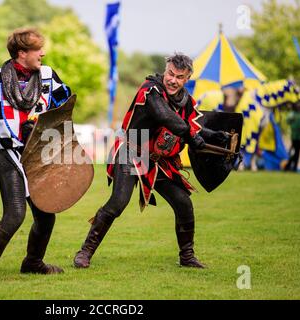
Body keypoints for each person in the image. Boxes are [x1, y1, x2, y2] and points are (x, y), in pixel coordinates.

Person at [74, 53, 228, 269]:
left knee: (183, 203)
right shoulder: (150, 90)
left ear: (187, 79)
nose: (173, 80)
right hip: (131, 149)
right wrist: (192, 137)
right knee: (118, 203)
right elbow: (165, 116)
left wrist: (215, 136)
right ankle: (85, 252)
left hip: (158, 160)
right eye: (170, 74)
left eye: (179, 77)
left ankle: (187, 256)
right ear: (165, 71)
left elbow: (193, 124)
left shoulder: (185, 101)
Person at [0, 28, 71, 281]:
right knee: (15, 213)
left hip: (34, 154)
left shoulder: (48, 77)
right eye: (36, 49)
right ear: (22, 53)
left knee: (45, 214)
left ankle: (32, 262)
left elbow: (63, 109)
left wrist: (44, 127)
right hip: (4, 153)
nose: (43, 53)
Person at [284, 104, 300, 172]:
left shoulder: (295, 115)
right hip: (297, 136)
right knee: (296, 152)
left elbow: (288, 121)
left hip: (296, 136)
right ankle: (291, 166)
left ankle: (290, 166)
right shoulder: (299, 115)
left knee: (296, 152)